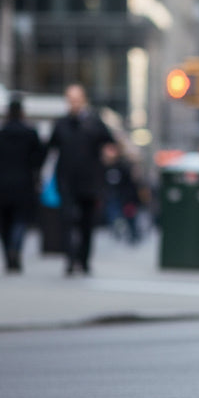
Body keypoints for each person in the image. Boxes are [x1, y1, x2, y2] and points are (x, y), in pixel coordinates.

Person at [46, 84, 114, 275]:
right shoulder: (61, 124)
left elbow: (110, 144)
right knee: (67, 220)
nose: (74, 103)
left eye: (77, 99)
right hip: (66, 180)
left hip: (90, 182)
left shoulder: (95, 122)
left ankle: (84, 260)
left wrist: (110, 154)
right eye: (70, 99)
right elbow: (50, 148)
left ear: (83, 100)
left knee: (86, 223)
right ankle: (69, 259)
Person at [0, 96, 45, 273]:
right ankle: (16, 249)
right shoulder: (30, 133)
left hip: (2, 184)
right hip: (24, 183)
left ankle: (8, 255)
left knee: (4, 223)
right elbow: (39, 158)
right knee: (20, 220)